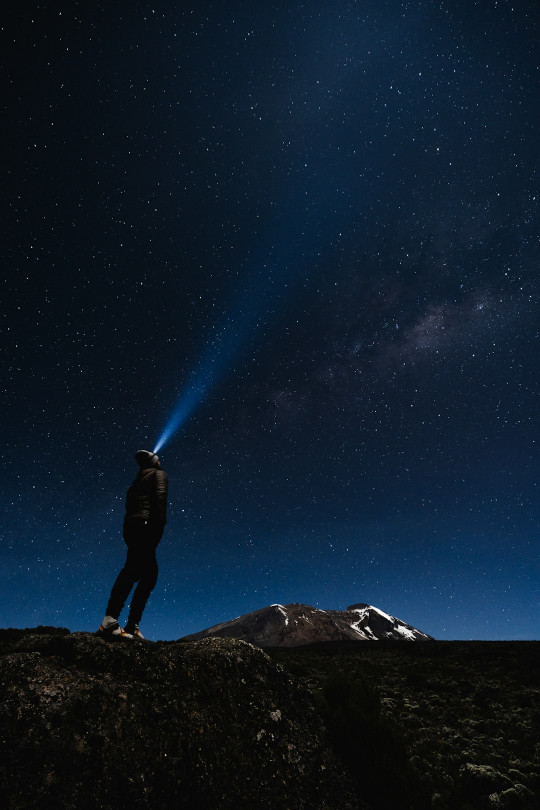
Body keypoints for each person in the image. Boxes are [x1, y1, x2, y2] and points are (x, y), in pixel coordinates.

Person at [97, 450, 168, 641]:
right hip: (146, 527)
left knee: (146, 574)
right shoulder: (158, 475)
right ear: (155, 463)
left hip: (131, 528)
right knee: (135, 571)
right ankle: (111, 622)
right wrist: (157, 531)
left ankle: (129, 624)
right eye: (158, 460)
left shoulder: (135, 483)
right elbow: (160, 501)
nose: (161, 462)